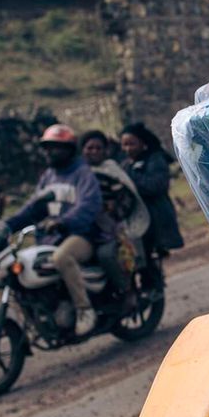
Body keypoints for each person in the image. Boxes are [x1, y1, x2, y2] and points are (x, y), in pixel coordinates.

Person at [6, 125, 104, 336]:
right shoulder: (48, 177)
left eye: (55, 147)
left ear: (69, 149)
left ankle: (84, 311)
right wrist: (7, 225)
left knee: (61, 258)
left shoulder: (82, 173)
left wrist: (63, 221)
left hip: (81, 235)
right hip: (51, 237)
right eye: (47, 147)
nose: (49, 152)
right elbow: (33, 207)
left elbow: (89, 205)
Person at [81, 130, 150, 309]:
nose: (94, 151)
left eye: (98, 148)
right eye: (90, 148)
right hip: (83, 228)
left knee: (106, 255)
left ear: (105, 151)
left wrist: (111, 214)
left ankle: (127, 290)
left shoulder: (111, 170)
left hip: (109, 229)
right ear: (82, 150)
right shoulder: (77, 174)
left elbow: (126, 199)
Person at [120, 122, 183, 289]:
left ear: (142, 143)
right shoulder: (126, 165)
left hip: (156, 217)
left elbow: (156, 186)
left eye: (131, 143)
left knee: (146, 253)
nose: (127, 148)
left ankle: (153, 285)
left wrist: (130, 179)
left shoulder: (156, 160)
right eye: (124, 144)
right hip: (135, 217)